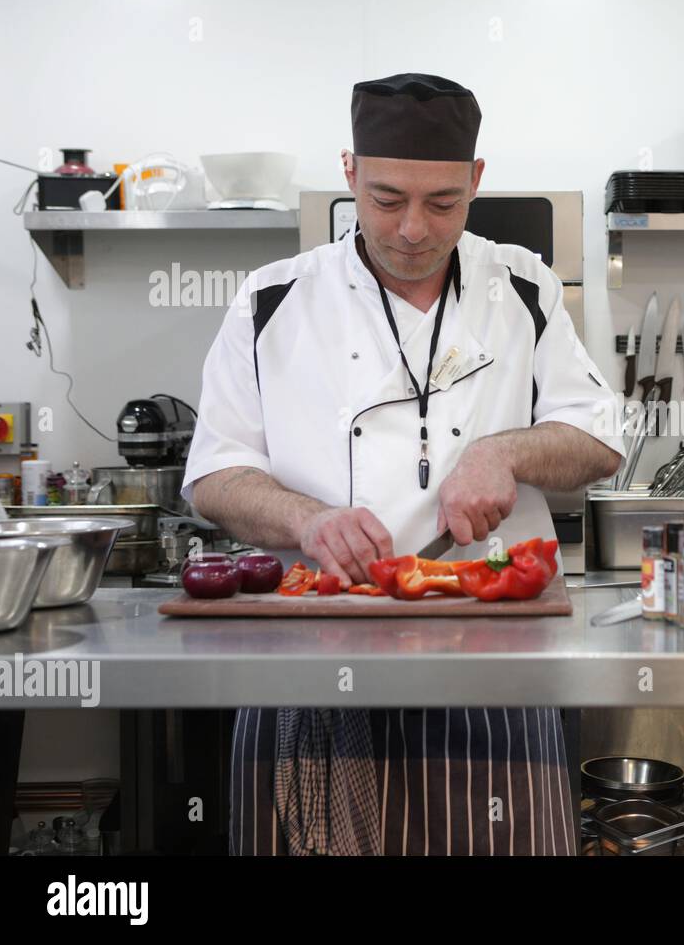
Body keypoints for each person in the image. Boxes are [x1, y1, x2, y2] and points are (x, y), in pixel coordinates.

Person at [182, 73, 623, 855]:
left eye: (443, 203)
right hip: (310, 663)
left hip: (492, 674)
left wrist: (503, 451)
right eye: (386, 200)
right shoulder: (272, 300)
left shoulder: (523, 287)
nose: (414, 228)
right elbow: (215, 474)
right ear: (349, 173)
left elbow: (596, 437)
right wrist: (307, 519)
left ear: (476, 183)